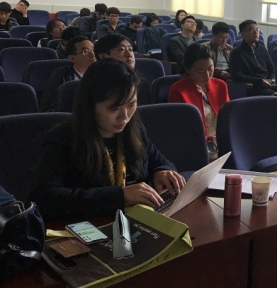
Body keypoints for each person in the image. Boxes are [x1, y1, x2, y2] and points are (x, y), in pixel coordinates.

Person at [30, 59, 185, 221]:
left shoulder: (134, 129)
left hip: (138, 219)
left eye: (131, 104)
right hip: (92, 223)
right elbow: (45, 198)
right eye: (114, 108)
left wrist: (162, 171)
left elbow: (159, 161)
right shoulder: (63, 138)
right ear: (90, 106)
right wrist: (120, 196)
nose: (124, 116)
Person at [168, 43, 230, 139]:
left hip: (223, 138)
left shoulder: (220, 85)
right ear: (188, 70)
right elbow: (180, 127)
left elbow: (228, 116)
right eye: (200, 71)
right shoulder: (178, 90)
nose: (207, 75)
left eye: (210, 68)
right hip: (196, 141)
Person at [40, 37, 96, 112]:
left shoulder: (103, 72)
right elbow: (48, 106)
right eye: (85, 51)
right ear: (72, 58)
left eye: (93, 49)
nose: (92, 54)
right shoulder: (60, 75)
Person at [95, 34, 150, 104]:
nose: (129, 54)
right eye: (121, 49)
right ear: (103, 56)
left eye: (130, 49)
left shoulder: (141, 84)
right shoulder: (94, 85)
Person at [229, 19, 276, 96]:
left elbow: (272, 67)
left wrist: (272, 79)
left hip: (268, 83)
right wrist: (260, 81)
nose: (256, 32)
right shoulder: (237, 52)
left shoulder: (262, 49)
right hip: (254, 86)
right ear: (243, 33)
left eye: (257, 29)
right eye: (252, 30)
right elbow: (237, 76)